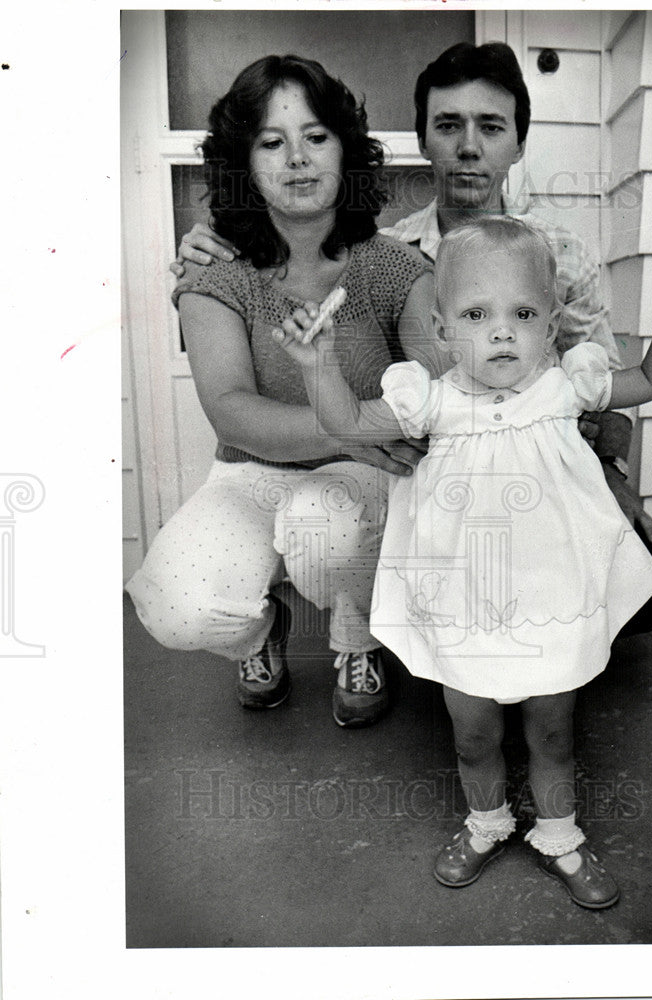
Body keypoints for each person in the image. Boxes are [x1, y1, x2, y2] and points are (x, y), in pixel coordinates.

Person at [274, 217, 652, 907]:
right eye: (477, 315)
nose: (501, 332)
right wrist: (316, 366)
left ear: (549, 325)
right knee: (473, 731)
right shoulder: (432, 401)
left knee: (552, 729)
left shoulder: (565, 388)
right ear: (443, 329)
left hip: (549, 600)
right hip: (464, 604)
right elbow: (346, 424)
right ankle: (485, 822)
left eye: (522, 314)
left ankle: (559, 835)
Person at [172, 41, 652, 551]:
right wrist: (220, 234)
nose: (469, 147)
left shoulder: (563, 254)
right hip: (447, 471)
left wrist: (610, 475)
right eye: (448, 125)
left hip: (555, 461)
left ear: (519, 143)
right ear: (424, 140)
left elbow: (608, 382)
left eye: (491, 127)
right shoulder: (395, 250)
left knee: (632, 589)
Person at [125, 54, 442, 728]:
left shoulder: (394, 266)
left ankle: (357, 641)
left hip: (361, 478)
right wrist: (356, 421)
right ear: (244, 164)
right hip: (252, 476)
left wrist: (364, 435)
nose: (296, 158)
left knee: (320, 526)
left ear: (345, 150)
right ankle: (255, 634)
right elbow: (233, 414)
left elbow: (435, 391)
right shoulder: (216, 273)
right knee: (177, 603)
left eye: (316, 136)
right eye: (271, 141)